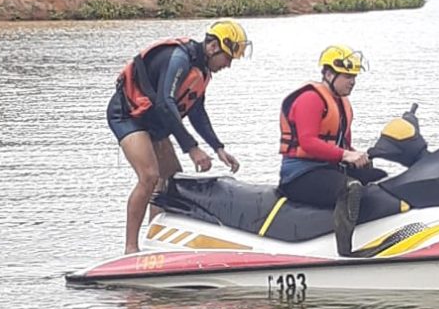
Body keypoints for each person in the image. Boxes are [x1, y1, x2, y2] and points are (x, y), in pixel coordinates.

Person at [107, 19, 250, 254]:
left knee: (169, 179)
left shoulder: (202, 71)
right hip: (128, 116)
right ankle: (130, 248)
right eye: (228, 58)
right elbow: (165, 102)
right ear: (213, 47)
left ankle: (155, 240)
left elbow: (196, 111)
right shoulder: (179, 59)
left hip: (155, 122)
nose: (228, 65)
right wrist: (192, 148)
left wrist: (218, 147)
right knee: (149, 176)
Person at [279, 45, 382, 256]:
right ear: (328, 74)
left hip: (326, 169)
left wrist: (361, 156)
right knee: (351, 188)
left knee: (378, 177)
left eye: (354, 76)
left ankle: (379, 234)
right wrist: (345, 155)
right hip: (300, 176)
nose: (352, 81)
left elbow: (344, 146)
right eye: (347, 76)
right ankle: (345, 253)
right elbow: (308, 142)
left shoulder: (343, 104)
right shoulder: (311, 99)